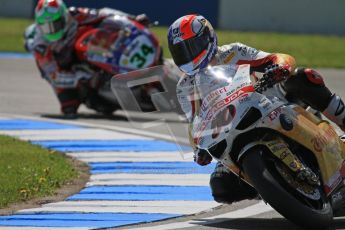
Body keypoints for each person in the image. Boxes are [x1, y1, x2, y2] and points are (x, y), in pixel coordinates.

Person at [167, 14, 345, 204]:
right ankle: (276, 185)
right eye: (181, 52)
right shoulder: (184, 87)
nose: (188, 56)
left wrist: (280, 67)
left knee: (304, 78)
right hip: (230, 134)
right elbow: (194, 122)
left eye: (191, 48)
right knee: (221, 187)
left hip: (267, 103)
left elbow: (276, 58)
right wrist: (199, 149)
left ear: (207, 38)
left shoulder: (232, 52)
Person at [25, 0, 157, 118]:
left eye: (55, 24)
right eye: (46, 26)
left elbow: (103, 13)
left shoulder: (75, 14)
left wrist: (131, 19)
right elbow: (55, 76)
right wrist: (81, 76)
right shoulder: (40, 46)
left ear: (64, 17)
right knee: (69, 107)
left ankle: (120, 68)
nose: (51, 30)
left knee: (106, 25)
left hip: (85, 50)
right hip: (65, 70)